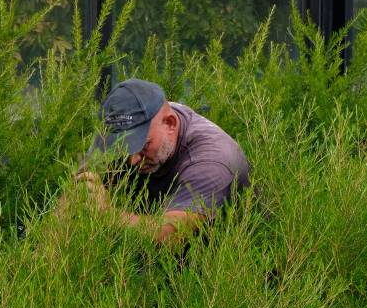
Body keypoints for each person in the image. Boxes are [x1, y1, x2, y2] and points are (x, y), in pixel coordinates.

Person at [74, 78, 250, 245]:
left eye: (143, 145)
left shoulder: (212, 162)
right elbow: (74, 196)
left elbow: (168, 236)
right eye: (123, 147)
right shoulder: (140, 123)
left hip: (220, 264)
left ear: (170, 124)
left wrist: (106, 214)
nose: (133, 160)